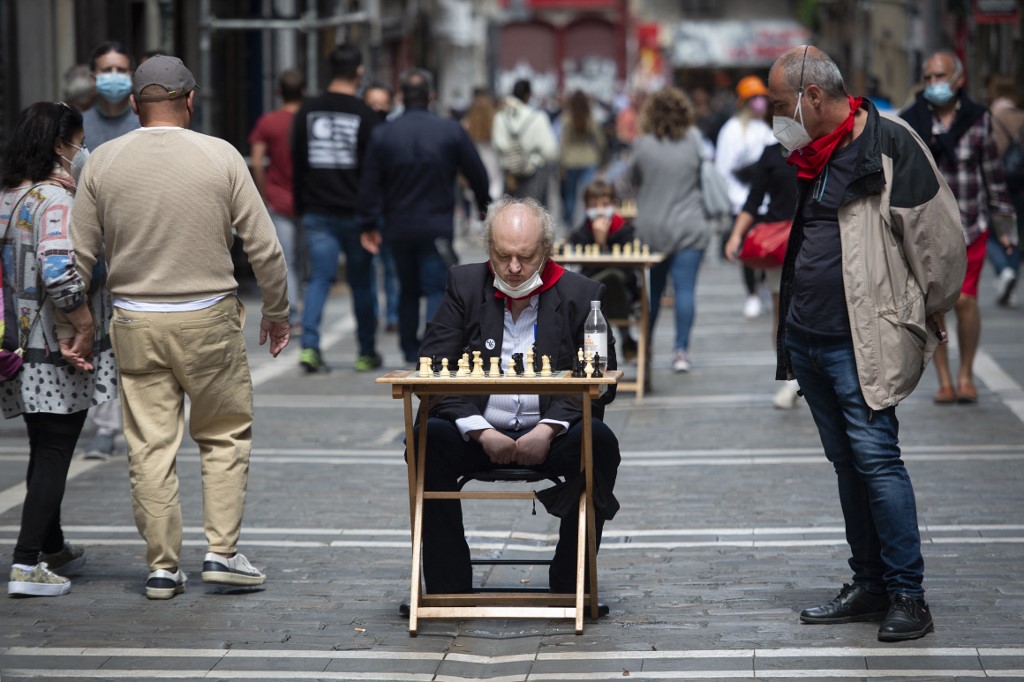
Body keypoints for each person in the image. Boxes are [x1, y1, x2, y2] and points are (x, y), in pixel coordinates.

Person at [63, 56, 291, 600]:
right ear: (191, 100)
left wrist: (78, 319)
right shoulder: (221, 156)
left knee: (148, 445)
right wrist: (278, 312)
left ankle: (162, 566)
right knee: (224, 435)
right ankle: (222, 553)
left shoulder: (103, 162)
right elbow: (264, 247)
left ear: (136, 104)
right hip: (209, 318)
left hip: (136, 320)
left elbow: (77, 257)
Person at [769, 45, 965, 641]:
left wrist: (918, 313)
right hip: (809, 336)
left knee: (878, 462)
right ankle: (870, 583)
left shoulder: (889, 142)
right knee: (846, 465)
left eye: (780, 105)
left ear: (814, 98)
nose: (774, 118)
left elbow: (941, 243)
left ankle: (909, 593)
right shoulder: (809, 153)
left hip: (862, 340)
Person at [415, 196, 620, 597]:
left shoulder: (581, 294)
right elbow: (432, 368)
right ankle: (446, 587)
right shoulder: (463, 284)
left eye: (524, 257)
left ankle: (571, 582)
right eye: (502, 255)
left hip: (554, 437)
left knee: (599, 441)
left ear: (546, 249)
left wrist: (547, 429)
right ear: (488, 248)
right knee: (428, 438)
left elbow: (601, 383)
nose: (512, 269)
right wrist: (478, 431)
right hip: (475, 436)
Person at [1, 102, 117, 597]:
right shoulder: (56, 201)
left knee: (42, 444)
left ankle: (52, 546)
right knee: (55, 450)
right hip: (54, 350)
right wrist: (83, 321)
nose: (82, 150)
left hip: (19, 347)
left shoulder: (10, 196)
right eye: (78, 141)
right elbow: (59, 271)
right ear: (59, 146)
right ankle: (27, 563)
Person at [901, 50, 1017, 404]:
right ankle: (945, 381)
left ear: (959, 80)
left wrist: (1006, 229)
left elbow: (994, 180)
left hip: (970, 227)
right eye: (929, 77)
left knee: (966, 301)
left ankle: (966, 374)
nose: (934, 84)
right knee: (935, 307)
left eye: (941, 77)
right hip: (927, 233)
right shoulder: (911, 122)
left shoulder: (978, 120)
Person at [359, 69, 491, 366]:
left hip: (398, 225)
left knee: (407, 288)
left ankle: (408, 348)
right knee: (435, 288)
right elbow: (477, 173)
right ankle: (433, 350)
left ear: (401, 98)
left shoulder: (383, 134)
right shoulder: (450, 130)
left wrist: (368, 223)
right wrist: (485, 208)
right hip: (436, 225)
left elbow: (369, 183)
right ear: (431, 96)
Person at [291, 45, 381, 373]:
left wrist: (302, 205)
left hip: (317, 210)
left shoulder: (307, 110)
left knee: (319, 279)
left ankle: (310, 347)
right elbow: (372, 171)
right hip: (356, 214)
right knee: (362, 282)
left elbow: (298, 161)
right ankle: (366, 352)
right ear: (358, 71)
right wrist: (372, 217)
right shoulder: (365, 114)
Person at [629, 86, 711, 373]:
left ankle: (645, 348)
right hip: (690, 226)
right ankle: (681, 351)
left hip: (652, 229)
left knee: (650, 294)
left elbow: (630, 180)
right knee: (685, 290)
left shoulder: (643, 144)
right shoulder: (694, 141)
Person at [723, 141, 801, 408]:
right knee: (783, 314)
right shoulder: (771, 153)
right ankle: (791, 380)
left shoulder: (822, 144)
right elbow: (754, 199)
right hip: (779, 245)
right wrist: (736, 235)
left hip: (817, 239)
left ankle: (814, 375)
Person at [716, 75, 776, 320]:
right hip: (741, 201)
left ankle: (762, 287)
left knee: (766, 250)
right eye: (753, 98)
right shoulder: (730, 131)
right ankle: (751, 293)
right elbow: (723, 168)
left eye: (761, 97)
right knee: (747, 251)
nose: (759, 103)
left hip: (766, 201)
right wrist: (730, 201)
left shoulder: (766, 130)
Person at [249, 68, 305, 326]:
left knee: (287, 259)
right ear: (303, 92)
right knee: (304, 259)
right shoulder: (308, 119)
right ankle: (302, 307)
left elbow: (258, 161)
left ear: (278, 91)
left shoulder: (269, 122)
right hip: (310, 199)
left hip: (279, 197)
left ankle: (293, 309)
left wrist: (262, 192)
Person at [566, 179, 640, 359]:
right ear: (586, 207)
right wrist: (598, 242)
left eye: (605, 204)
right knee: (599, 283)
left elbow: (631, 272)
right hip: (592, 296)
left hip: (624, 294)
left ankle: (615, 343)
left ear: (614, 205)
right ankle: (625, 338)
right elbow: (579, 271)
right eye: (594, 205)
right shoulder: (581, 233)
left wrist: (603, 244)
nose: (599, 210)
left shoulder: (626, 231)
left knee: (614, 277)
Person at [361, 82, 400, 334]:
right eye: (372, 104)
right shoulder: (359, 135)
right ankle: (373, 313)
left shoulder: (394, 135)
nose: (378, 110)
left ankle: (393, 315)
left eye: (382, 104)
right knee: (369, 266)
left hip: (391, 211)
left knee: (391, 267)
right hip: (366, 211)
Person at [986, 74, 1024, 307]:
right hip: (1019, 186)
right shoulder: (1021, 116)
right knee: (1015, 235)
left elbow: (991, 153)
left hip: (999, 185)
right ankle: (1010, 279)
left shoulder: (993, 117)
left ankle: (1004, 271)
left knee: (992, 234)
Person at [492, 79, 558, 207]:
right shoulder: (539, 117)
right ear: (528, 95)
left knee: (510, 213)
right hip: (534, 172)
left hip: (509, 174)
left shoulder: (500, 117)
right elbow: (550, 150)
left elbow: (498, 144)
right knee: (534, 215)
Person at [81, 41, 141, 149]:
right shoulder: (79, 126)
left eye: (121, 70)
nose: (114, 75)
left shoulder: (145, 123)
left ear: (131, 77)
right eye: (107, 70)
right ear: (93, 79)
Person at [559, 90, 605, 228]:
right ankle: (588, 224)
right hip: (589, 159)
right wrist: (601, 160)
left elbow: (563, 143)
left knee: (570, 196)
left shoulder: (566, 118)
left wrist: (561, 164)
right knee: (588, 196)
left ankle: (569, 224)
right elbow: (601, 141)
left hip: (570, 160)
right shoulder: (590, 118)